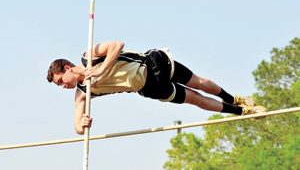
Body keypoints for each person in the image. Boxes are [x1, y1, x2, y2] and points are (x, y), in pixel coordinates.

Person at [47, 41, 266, 135]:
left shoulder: (88, 56)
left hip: (152, 65)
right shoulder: (83, 93)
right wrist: (81, 126)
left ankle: (234, 99)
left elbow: (117, 45)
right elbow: (76, 124)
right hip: (148, 87)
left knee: (197, 83)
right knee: (196, 100)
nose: (62, 86)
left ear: (67, 68)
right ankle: (243, 112)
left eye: (60, 81)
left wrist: (101, 69)